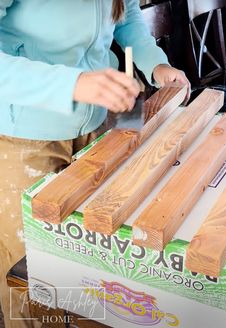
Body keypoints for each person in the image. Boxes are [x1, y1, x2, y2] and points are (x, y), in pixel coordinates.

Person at [0, 0, 190, 327]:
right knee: (34, 279)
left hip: (97, 124)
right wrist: (72, 83)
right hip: (24, 133)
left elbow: (126, 12)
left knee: (90, 267)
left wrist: (155, 64)